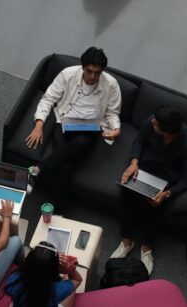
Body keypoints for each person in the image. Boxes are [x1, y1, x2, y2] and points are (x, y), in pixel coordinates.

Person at [25, 47, 122, 212]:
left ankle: (38, 170)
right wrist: (39, 124)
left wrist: (116, 130)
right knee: (66, 165)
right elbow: (48, 99)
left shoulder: (111, 84)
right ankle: (59, 213)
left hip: (91, 127)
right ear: (82, 67)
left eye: (97, 73)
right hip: (64, 121)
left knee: (82, 143)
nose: (92, 77)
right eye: (89, 71)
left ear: (102, 71)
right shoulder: (68, 74)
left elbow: (112, 113)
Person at [110, 106, 187, 274]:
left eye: (157, 125)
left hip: (167, 177)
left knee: (157, 205)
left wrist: (166, 193)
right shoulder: (152, 121)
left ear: (169, 132)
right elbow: (139, 141)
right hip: (145, 168)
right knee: (127, 192)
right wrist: (134, 162)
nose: (152, 122)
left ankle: (147, 247)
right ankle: (127, 240)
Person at [5, 241, 83, 307]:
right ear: (54, 269)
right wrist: (67, 268)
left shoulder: (14, 279)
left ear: (28, 261)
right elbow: (77, 280)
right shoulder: (56, 290)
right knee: (67, 278)